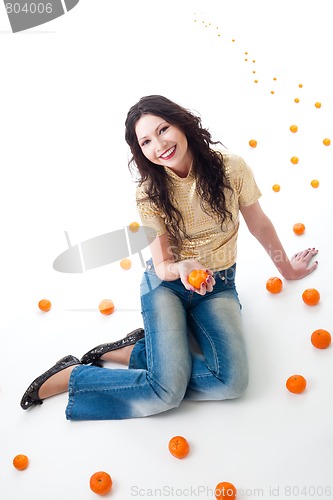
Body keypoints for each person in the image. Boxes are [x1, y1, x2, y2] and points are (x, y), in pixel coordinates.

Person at [20, 95, 318, 420]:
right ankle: (72, 376)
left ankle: (136, 353)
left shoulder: (232, 168)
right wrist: (183, 267)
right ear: (140, 151)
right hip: (166, 286)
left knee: (232, 382)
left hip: (219, 285)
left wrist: (286, 268)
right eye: (146, 141)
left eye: (163, 129)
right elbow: (162, 266)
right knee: (167, 392)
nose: (159, 144)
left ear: (182, 122)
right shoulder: (149, 192)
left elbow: (258, 223)